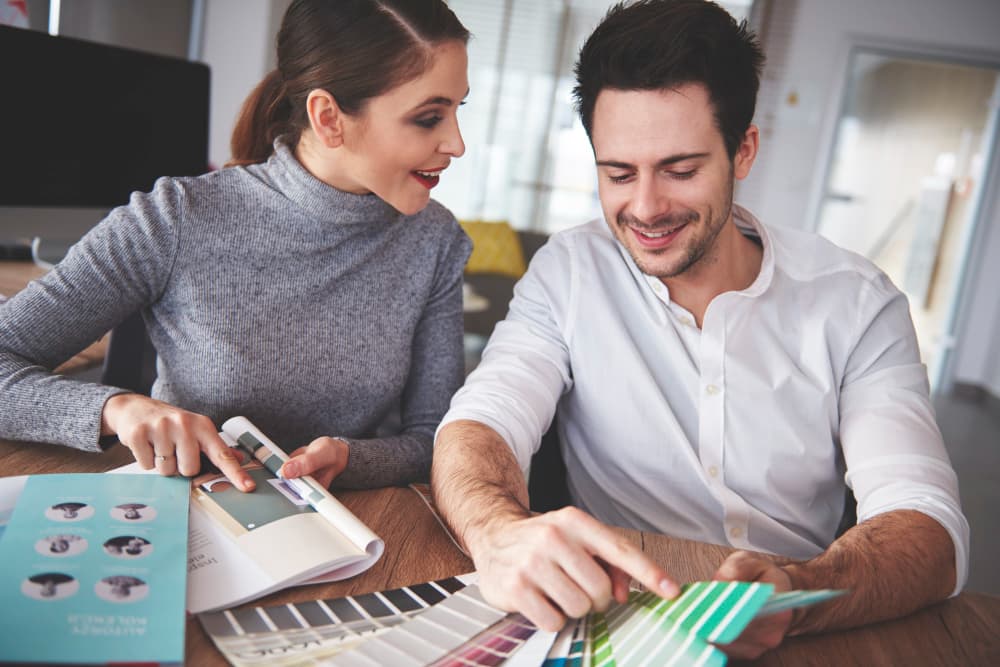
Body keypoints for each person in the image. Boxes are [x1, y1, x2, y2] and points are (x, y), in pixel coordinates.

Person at [431, 0, 968, 658]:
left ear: (743, 151)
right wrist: (494, 531)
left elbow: (927, 525)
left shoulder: (857, 303)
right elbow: (481, 421)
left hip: (796, 627)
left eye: (681, 170)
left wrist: (800, 590)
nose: (647, 207)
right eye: (618, 173)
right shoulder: (569, 272)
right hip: (613, 621)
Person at [0, 0, 471, 491]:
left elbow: (434, 436)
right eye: (428, 117)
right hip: (194, 518)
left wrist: (354, 459)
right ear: (328, 117)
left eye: (459, 109)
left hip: (358, 525)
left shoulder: (434, 240)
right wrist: (113, 409)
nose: (457, 143)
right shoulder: (174, 218)